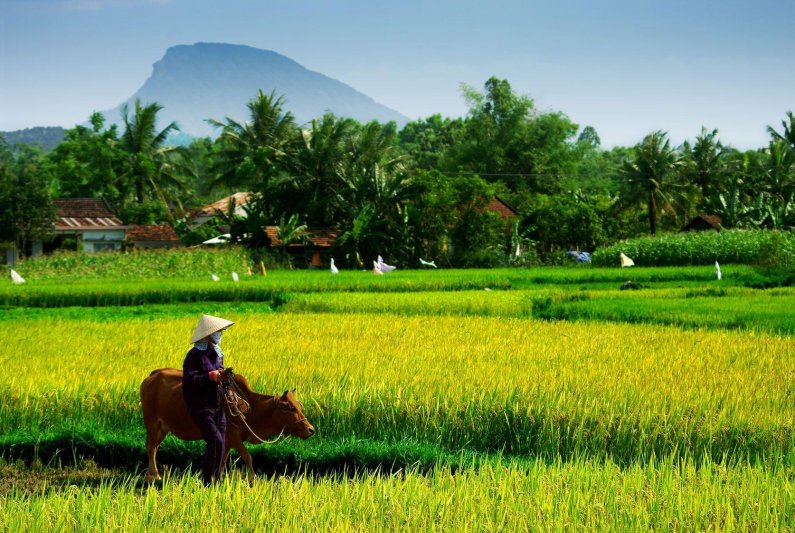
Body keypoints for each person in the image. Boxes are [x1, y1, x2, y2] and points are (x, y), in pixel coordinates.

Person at [182, 314, 234, 485]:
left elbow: (221, 374)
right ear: (208, 334)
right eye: (218, 331)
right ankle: (206, 482)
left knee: (222, 444)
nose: (220, 334)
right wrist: (209, 376)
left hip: (218, 406)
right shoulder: (194, 356)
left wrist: (228, 387)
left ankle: (216, 481)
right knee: (216, 441)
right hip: (200, 407)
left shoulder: (218, 354)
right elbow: (189, 381)